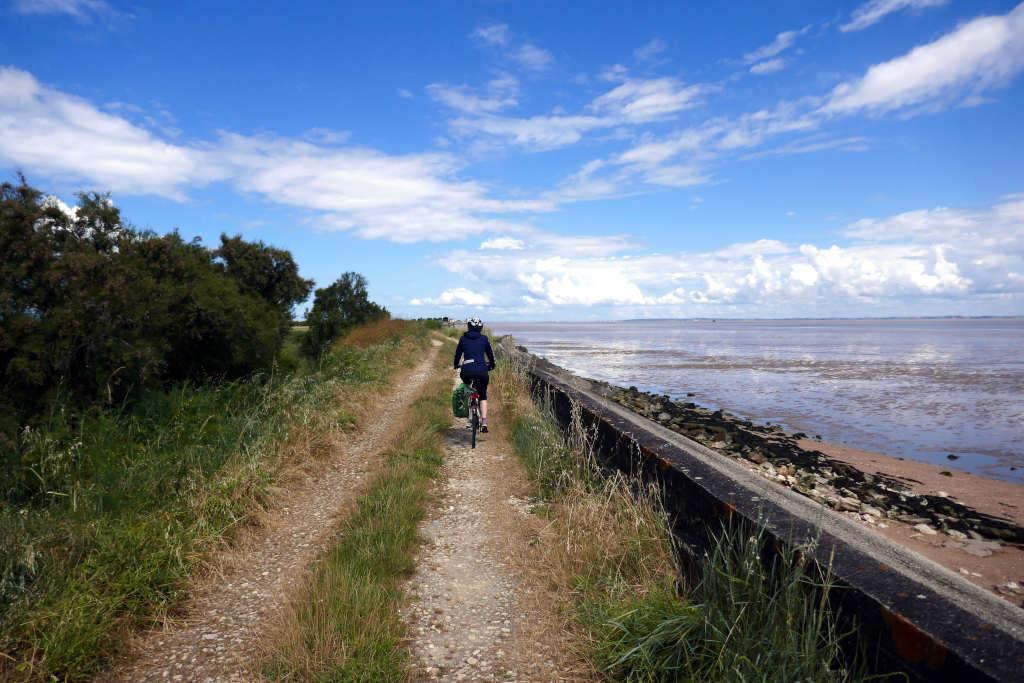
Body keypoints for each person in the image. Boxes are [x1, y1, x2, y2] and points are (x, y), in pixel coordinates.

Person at [453, 317, 495, 432]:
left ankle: (470, 415)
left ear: (469, 327)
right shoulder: (484, 339)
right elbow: (491, 356)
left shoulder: (463, 339)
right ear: (480, 328)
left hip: (466, 371)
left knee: (468, 387)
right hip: (482, 371)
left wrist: (456, 364)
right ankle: (484, 422)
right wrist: (492, 365)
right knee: (482, 395)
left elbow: (457, 355)